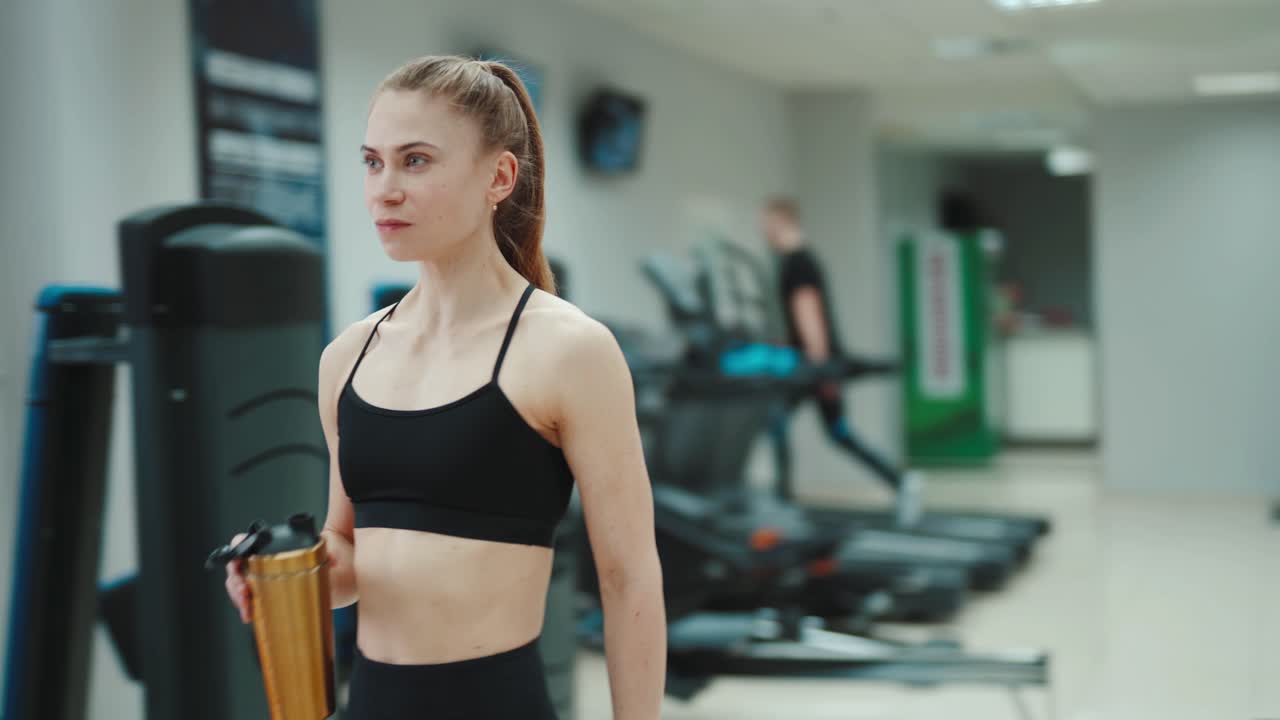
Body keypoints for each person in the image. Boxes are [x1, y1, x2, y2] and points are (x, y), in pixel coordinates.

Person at [224, 56, 666, 719]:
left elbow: (628, 577)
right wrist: (291, 575)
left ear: (499, 176)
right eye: (372, 162)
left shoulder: (568, 350)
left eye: (417, 161)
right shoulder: (347, 357)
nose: (385, 189)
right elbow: (348, 554)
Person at [760, 197, 919, 517]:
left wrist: (822, 371)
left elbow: (809, 315)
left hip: (811, 366)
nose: (764, 231)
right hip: (809, 364)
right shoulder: (797, 260)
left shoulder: (798, 263)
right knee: (831, 432)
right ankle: (900, 481)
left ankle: (783, 499)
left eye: (767, 224)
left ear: (784, 222)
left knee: (789, 423)